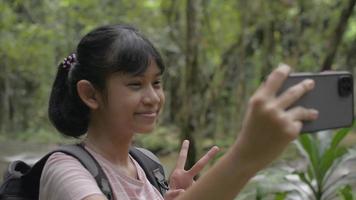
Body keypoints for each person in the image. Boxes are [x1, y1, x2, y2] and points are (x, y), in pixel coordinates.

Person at [40, 24, 318, 200]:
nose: (152, 97)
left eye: (157, 83)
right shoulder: (65, 171)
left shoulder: (147, 165)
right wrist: (246, 155)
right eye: (135, 84)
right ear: (91, 94)